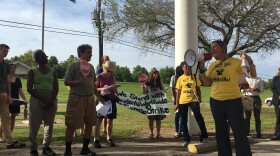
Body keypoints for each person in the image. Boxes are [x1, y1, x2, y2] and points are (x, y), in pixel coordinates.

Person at [200, 40, 252, 155]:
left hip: (233, 101)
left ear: (223, 47)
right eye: (211, 47)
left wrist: (249, 61)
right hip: (216, 101)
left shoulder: (235, 62)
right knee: (221, 132)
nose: (212, 49)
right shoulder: (212, 65)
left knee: (239, 131)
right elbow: (207, 83)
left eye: (214, 46)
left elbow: (250, 73)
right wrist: (202, 70)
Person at [64, 44, 104, 156]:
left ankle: (85, 149)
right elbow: (66, 81)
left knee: (90, 123)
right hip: (76, 98)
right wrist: (77, 82)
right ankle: (67, 150)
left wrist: (100, 98)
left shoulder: (91, 67)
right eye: (88, 52)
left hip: (90, 98)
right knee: (71, 125)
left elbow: (93, 86)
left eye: (91, 52)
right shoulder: (73, 65)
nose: (91, 54)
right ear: (81, 53)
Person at [27, 49, 58, 156]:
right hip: (36, 100)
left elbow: (56, 88)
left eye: (45, 56)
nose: (46, 58)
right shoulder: (32, 71)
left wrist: (50, 100)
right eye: (44, 56)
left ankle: (46, 148)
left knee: (49, 125)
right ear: (38, 59)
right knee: (34, 125)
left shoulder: (53, 71)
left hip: (51, 99)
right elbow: (29, 88)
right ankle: (33, 149)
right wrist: (43, 99)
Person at [175, 62, 208, 147]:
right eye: (185, 67)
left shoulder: (194, 77)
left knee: (198, 117)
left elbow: (198, 89)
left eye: (189, 67)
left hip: (193, 99)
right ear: (182, 68)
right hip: (183, 101)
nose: (188, 68)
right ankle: (186, 139)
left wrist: (200, 98)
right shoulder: (180, 78)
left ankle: (204, 136)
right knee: (183, 120)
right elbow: (178, 92)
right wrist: (177, 103)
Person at [0, 43, 26, 149]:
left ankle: (10, 141)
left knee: (6, 118)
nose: (6, 53)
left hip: (4, 93)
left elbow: (7, 80)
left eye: (7, 52)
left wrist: (9, 94)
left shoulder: (6, 64)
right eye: (4, 51)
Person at [94, 60, 118, 148]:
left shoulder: (112, 76)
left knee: (110, 120)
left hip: (111, 99)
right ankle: (96, 139)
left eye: (110, 69)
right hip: (102, 100)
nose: (108, 71)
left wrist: (114, 88)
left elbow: (114, 88)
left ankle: (109, 138)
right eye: (107, 69)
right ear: (103, 68)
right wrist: (102, 88)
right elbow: (95, 89)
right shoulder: (99, 76)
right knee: (99, 120)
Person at [240, 53, 264, 139]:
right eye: (251, 68)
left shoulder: (259, 79)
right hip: (247, 98)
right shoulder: (246, 79)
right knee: (247, 116)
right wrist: (247, 89)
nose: (252, 69)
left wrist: (256, 89)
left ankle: (259, 133)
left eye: (253, 68)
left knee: (257, 117)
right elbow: (242, 90)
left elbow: (262, 90)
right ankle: (247, 132)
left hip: (256, 98)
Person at [0, 63, 27, 140]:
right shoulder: (5, 79)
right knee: (5, 119)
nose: (13, 70)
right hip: (7, 100)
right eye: (11, 68)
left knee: (13, 118)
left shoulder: (18, 80)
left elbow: (20, 90)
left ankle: (9, 136)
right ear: (8, 69)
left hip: (16, 101)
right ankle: (0, 136)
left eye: (14, 68)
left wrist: (24, 99)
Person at [142, 68, 165, 139]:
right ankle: (151, 133)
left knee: (159, 119)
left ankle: (158, 134)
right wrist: (144, 88)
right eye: (154, 74)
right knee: (151, 119)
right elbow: (145, 93)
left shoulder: (160, 83)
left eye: (156, 73)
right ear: (151, 75)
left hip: (159, 103)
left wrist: (163, 91)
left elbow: (163, 91)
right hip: (150, 103)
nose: (155, 75)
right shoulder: (147, 83)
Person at [96, 55, 110, 137]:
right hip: (101, 96)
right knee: (100, 116)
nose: (107, 61)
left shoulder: (111, 71)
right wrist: (102, 88)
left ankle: (105, 130)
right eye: (106, 60)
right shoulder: (99, 70)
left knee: (108, 116)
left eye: (108, 59)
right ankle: (97, 137)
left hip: (109, 97)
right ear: (103, 61)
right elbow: (96, 85)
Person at [170, 66, 184, 138]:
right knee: (177, 114)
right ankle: (177, 131)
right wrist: (175, 100)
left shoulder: (183, 77)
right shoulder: (173, 77)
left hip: (183, 99)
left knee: (182, 115)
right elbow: (172, 89)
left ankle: (181, 130)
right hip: (176, 99)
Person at [271, 67, 280, 140]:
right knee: (279, 118)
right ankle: (277, 135)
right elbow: (273, 89)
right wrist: (278, 96)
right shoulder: (276, 78)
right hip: (278, 101)